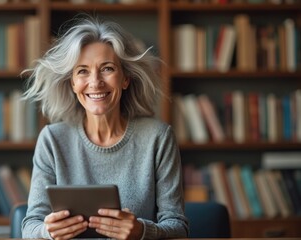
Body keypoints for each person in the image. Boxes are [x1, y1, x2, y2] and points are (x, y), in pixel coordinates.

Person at [20, 15, 188, 240]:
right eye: (82, 71)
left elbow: (179, 228)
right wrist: (47, 232)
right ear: (72, 82)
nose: (95, 82)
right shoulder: (52, 139)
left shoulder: (158, 138)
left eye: (107, 69)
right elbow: (29, 227)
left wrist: (141, 231)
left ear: (125, 78)